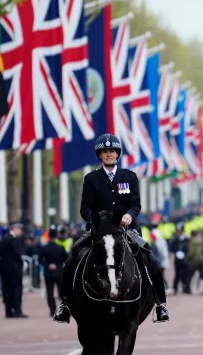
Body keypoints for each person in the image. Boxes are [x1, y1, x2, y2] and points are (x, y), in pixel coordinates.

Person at [54, 133, 169, 324]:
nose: (109, 154)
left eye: (112, 151)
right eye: (105, 151)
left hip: (126, 228)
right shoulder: (91, 179)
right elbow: (85, 207)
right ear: (99, 155)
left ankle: (160, 304)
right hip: (99, 229)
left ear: (117, 154)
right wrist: (95, 221)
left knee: (150, 259)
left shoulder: (129, 177)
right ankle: (65, 304)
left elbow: (136, 204)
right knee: (71, 259)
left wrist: (129, 215)